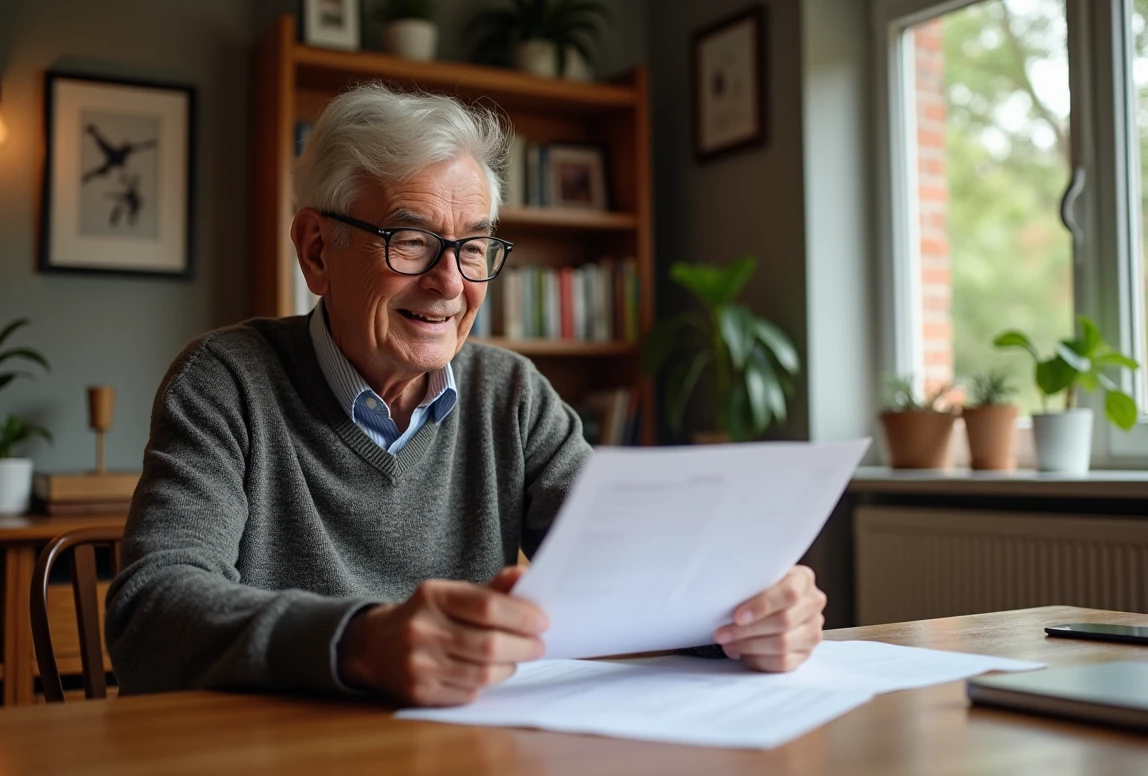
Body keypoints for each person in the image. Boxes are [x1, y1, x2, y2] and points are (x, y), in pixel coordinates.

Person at [105, 83, 827, 707]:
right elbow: (153, 611)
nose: (451, 283)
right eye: (411, 240)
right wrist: (363, 642)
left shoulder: (511, 394)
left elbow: (632, 579)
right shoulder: (225, 380)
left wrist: (744, 614)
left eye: (474, 246)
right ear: (317, 250)